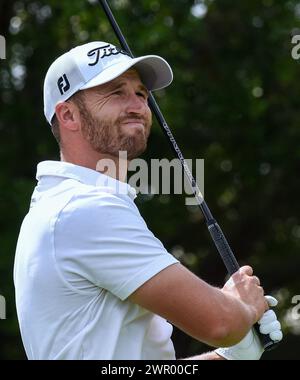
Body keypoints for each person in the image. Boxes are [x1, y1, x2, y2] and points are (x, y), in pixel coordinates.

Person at [14, 41, 282, 360]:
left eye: (140, 93)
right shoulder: (84, 209)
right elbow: (219, 323)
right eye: (116, 92)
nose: (137, 106)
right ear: (69, 115)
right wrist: (240, 310)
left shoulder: (67, 205)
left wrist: (232, 354)